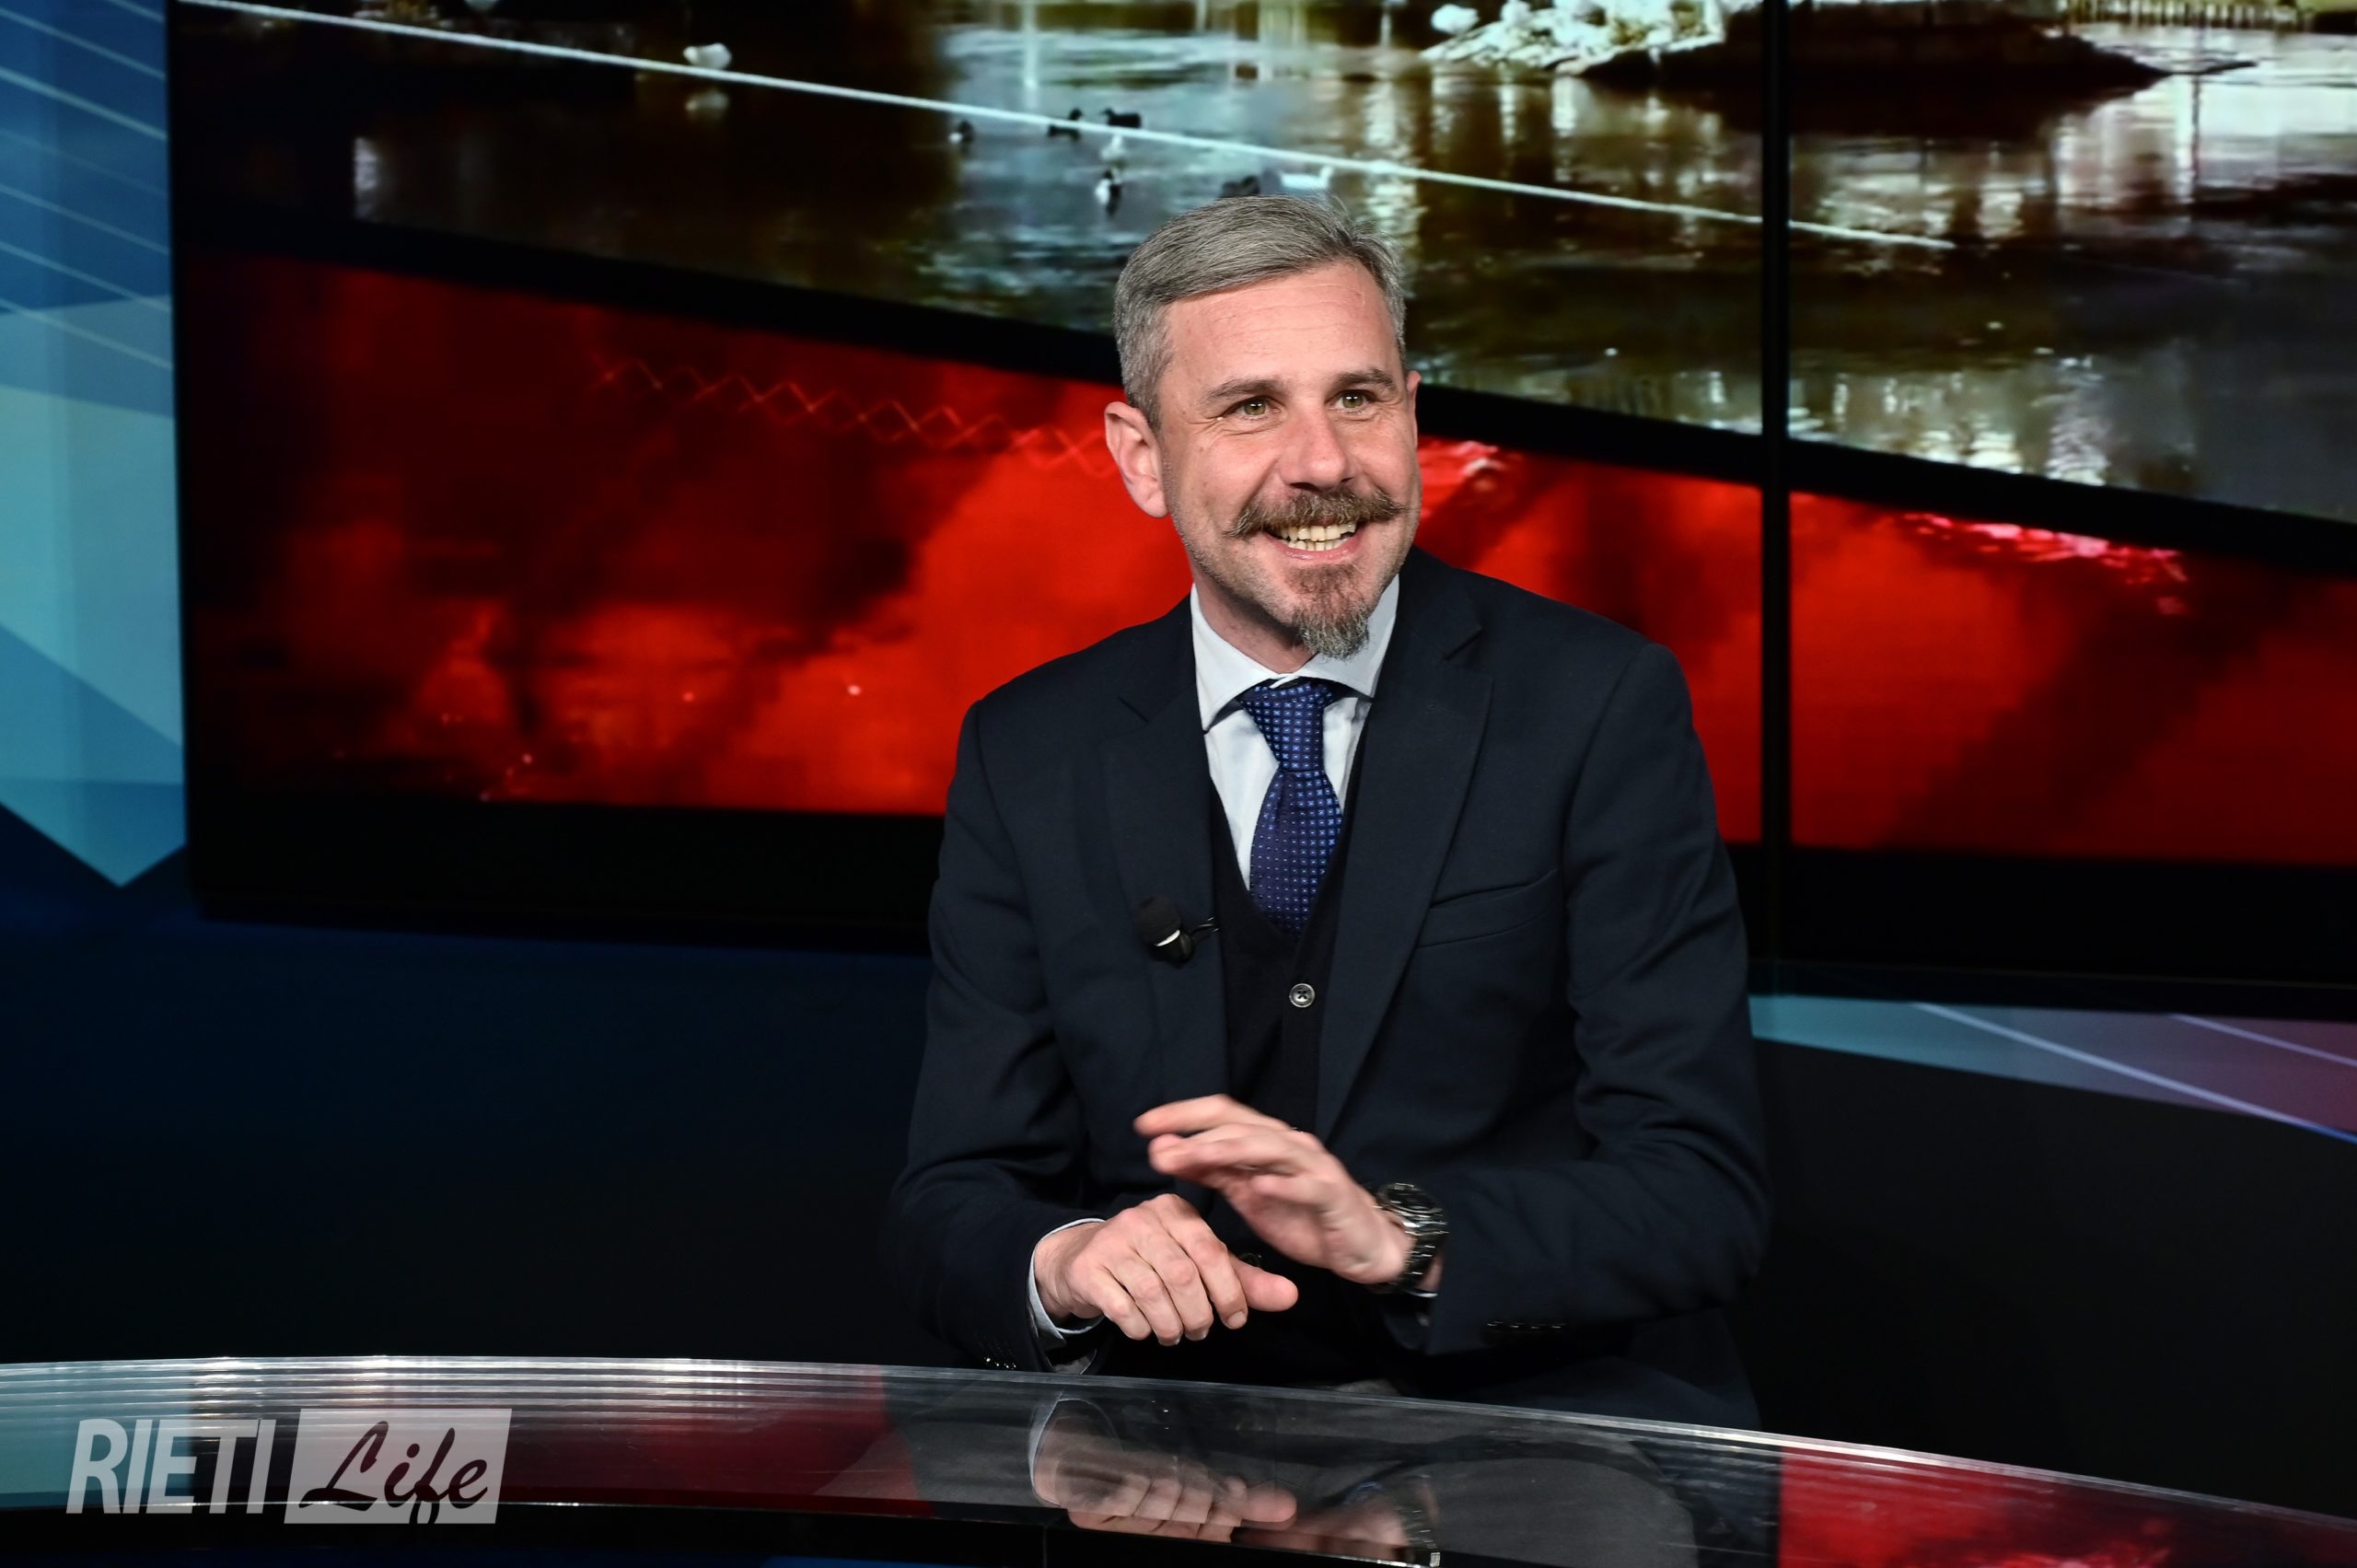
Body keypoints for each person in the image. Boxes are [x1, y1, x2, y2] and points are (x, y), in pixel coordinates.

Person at [884, 195, 1768, 1423]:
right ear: (1140, 457)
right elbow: (953, 1206)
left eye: (1357, 398)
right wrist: (1069, 1265)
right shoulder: (1030, 749)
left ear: (1413, 413)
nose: (1323, 464)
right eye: (1251, 408)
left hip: (1525, 1438)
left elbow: (1700, 1195)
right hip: (1162, 1455)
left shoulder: (1595, 704)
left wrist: (1402, 1239)